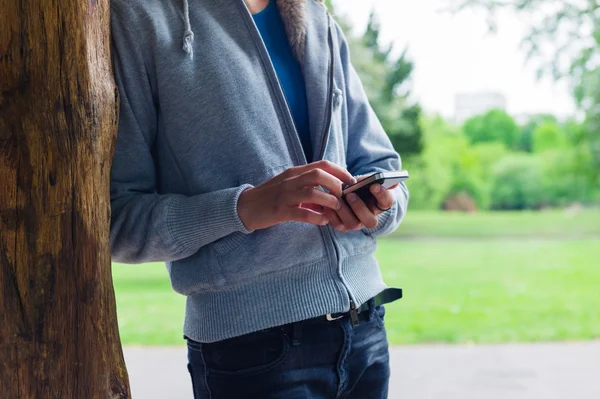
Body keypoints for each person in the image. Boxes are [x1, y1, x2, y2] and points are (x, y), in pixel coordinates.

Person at [109, 0, 408, 397]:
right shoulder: (141, 15)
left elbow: (385, 168)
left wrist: (376, 208)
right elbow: (118, 221)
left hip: (365, 329)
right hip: (251, 349)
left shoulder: (315, 17)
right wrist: (244, 209)